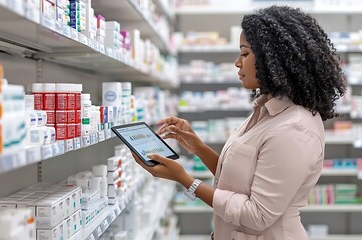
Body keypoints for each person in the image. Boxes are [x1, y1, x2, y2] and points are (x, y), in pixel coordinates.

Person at [132, 5, 346, 240]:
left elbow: (257, 214)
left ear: (272, 59)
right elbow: (239, 180)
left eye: (245, 54)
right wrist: (198, 147)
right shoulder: (265, 110)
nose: (237, 63)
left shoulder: (294, 128)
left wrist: (184, 179)